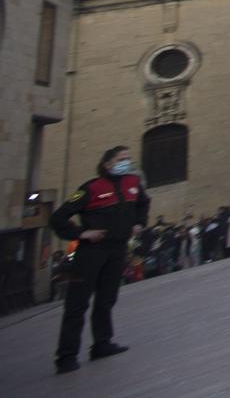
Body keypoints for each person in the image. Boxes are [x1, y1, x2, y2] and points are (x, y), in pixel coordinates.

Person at [50, 145, 147, 374]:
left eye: (128, 159)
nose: (126, 162)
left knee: (107, 299)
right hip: (92, 252)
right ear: (107, 164)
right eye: (121, 159)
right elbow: (59, 217)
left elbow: (143, 203)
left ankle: (102, 343)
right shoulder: (90, 188)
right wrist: (81, 234)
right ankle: (66, 356)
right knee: (77, 304)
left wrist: (139, 222)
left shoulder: (132, 183)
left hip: (117, 249)